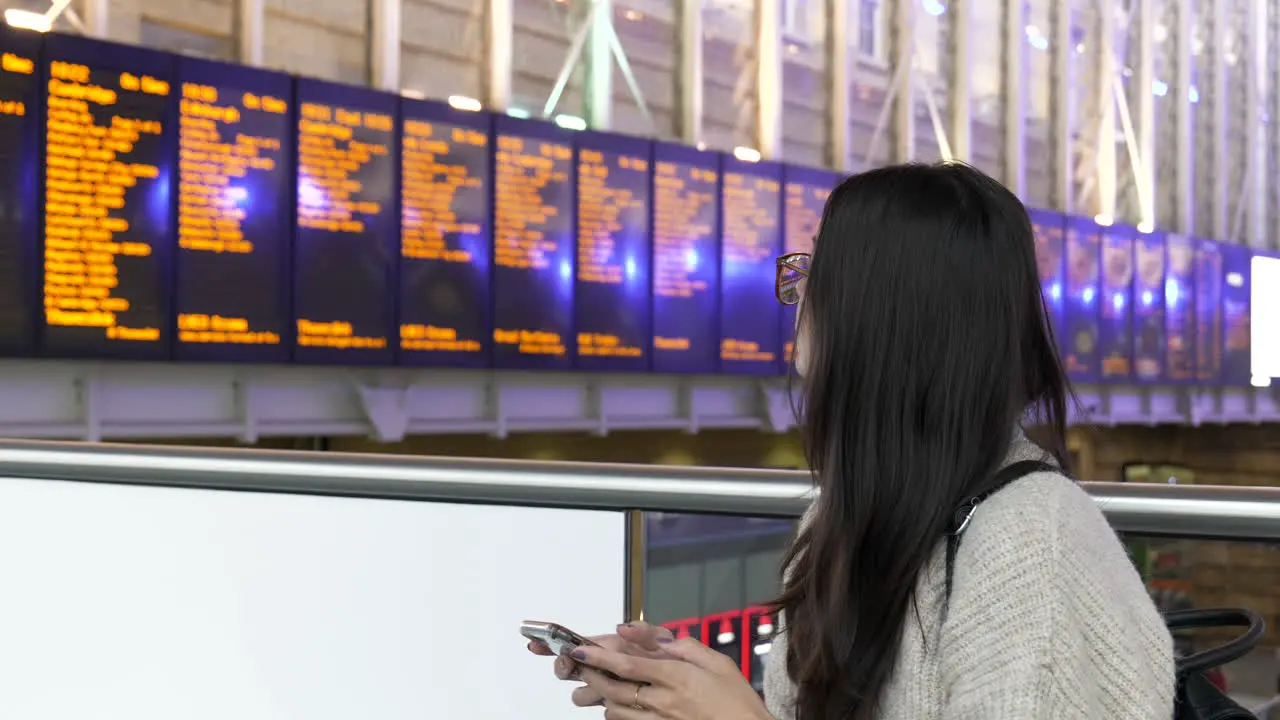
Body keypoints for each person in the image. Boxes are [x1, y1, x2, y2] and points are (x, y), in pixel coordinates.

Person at [528, 162, 1175, 719]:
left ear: (883, 309)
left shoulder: (1033, 544)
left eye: (818, 267)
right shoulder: (837, 519)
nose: (799, 290)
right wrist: (686, 692)